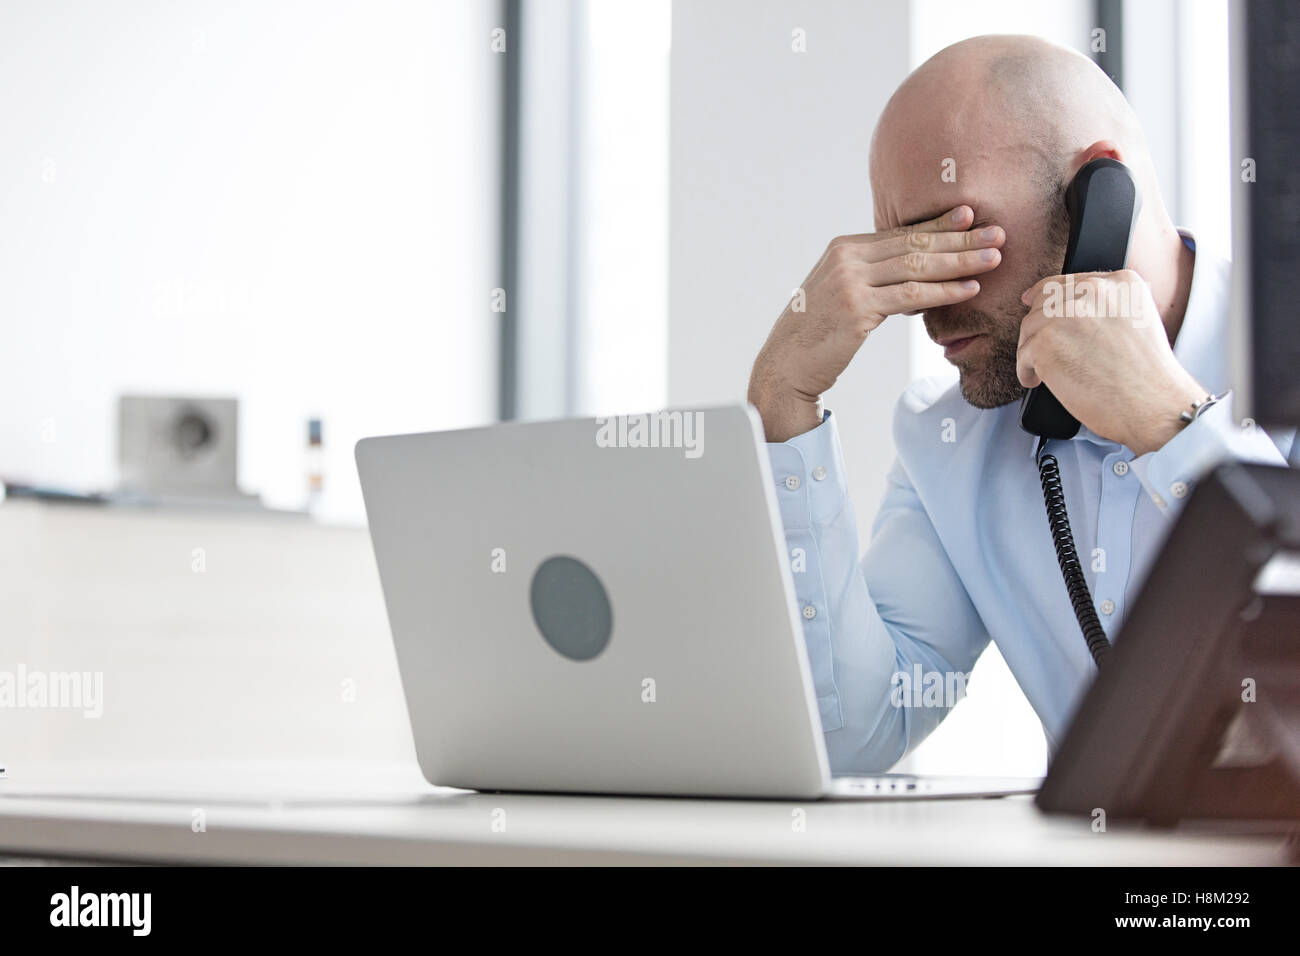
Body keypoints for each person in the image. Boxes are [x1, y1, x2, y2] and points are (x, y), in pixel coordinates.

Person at [747, 34, 1291, 773]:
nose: (920, 303)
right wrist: (783, 403)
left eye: (948, 235)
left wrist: (1174, 429)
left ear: (1102, 193)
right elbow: (853, 735)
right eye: (899, 253)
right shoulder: (951, 438)